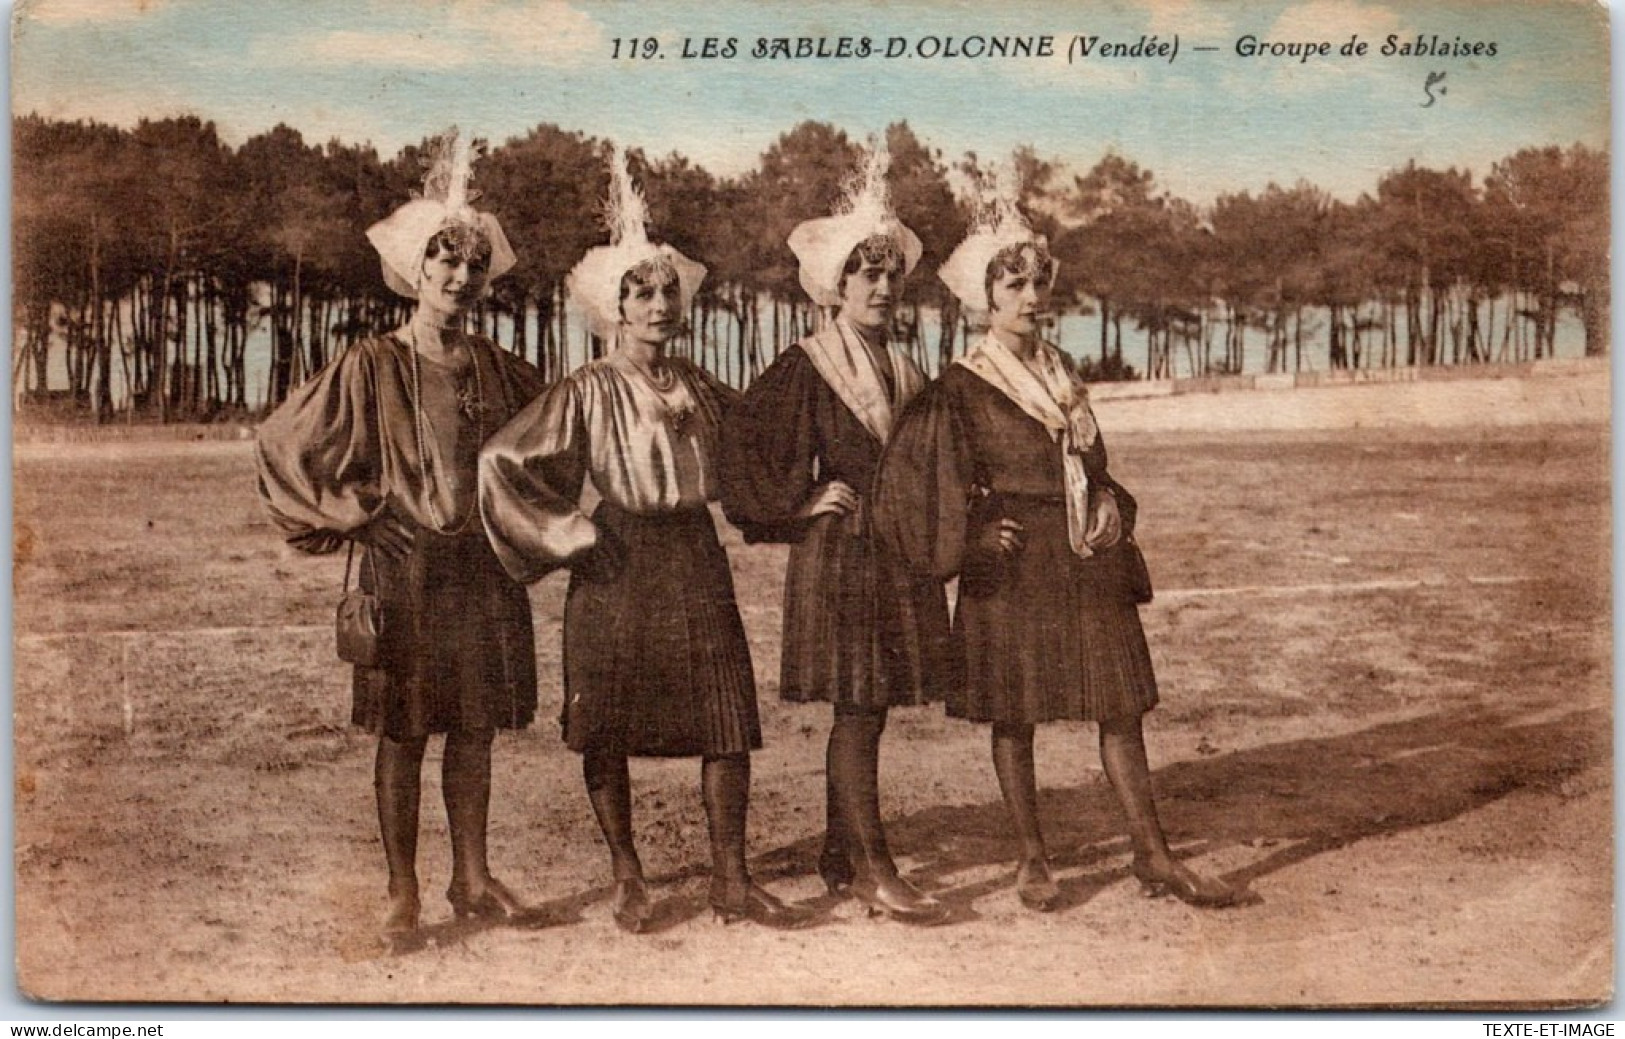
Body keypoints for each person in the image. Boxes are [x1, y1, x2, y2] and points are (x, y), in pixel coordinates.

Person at [871, 179, 1242, 911]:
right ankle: (1032, 858)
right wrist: (973, 533)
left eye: (1038, 281)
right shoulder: (960, 386)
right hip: (1011, 565)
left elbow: (1094, 466)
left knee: (1120, 707)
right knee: (1015, 714)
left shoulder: (1063, 372)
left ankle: (1153, 853)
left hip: (1080, 556)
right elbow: (920, 484)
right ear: (983, 296)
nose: (1030, 296)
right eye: (1013, 283)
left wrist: (1110, 503)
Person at [479, 150, 812, 933]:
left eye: (668, 291)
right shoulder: (588, 387)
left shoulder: (698, 384)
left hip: (693, 551)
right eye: (640, 293)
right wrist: (567, 532)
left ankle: (732, 875)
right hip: (617, 554)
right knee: (611, 721)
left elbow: (760, 449)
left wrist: (807, 498)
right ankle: (628, 873)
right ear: (614, 306)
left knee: (725, 715)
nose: (658, 304)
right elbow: (502, 460)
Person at [256, 129, 547, 943]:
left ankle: (474, 877)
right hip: (405, 569)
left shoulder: (502, 369)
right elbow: (283, 442)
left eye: (473, 264)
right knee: (404, 731)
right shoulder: (371, 365)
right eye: (444, 261)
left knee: (476, 729)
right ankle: (400, 891)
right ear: (415, 271)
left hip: (480, 568)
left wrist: (521, 525)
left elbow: (547, 458)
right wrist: (358, 511)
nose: (459, 276)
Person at [719, 143, 953, 925]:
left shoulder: (905, 368)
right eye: (866, 275)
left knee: (872, 707)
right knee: (857, 708)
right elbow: (742, 438)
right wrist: (798, 502)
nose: (882, 288)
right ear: (836, 285)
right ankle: (871, 864)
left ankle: (835, 848)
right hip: (842, 556)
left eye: (890, 275)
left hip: (894, 559)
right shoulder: (809, 363)